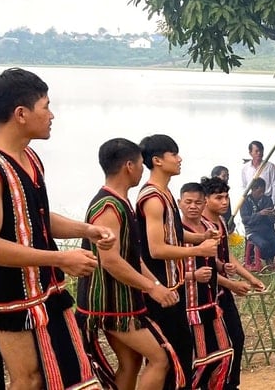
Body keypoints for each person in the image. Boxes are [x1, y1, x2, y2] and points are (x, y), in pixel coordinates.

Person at [0, 68, 112, 390]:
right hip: (6, 293)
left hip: (42, 287)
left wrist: (87, 230)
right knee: (27, 379)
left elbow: (33, 218)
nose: (51, 115)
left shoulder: (29, 157)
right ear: (21, 114)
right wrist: (61, 260)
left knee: (60, 375)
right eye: (45, 106)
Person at [78, 138, 180, 390]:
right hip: (111, 302)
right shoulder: (109, 206)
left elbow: (131, 257)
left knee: (131, 362)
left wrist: (155, 284)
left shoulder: (121, 202)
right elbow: (111, 260)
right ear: (128, 166)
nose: (142, 170)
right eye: (139, 164)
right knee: (159, 359)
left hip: (121, 300)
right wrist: (152, 287)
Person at [136, 134, 219, 390]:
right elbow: (157, 248)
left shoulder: (166, 194)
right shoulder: (152, 198)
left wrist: (199, 237)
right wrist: (198, 250)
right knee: (172, 352)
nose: (179, 159)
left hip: (174, 284)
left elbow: (172, 231)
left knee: (182, 350)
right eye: (174, 154)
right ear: (157, 160)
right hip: (159, 288)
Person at [200, 177, 265, 390]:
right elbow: (201, 267)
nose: (224, 201)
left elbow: (228, 258)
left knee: (236, 336)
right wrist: (231, 284)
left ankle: (230, 384)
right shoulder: (199, 227)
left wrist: (251, 278)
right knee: (212, 346)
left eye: (226, 197)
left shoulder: (220, 223)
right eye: (218, 197)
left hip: (221, 291)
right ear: (206, 199)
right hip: (203, 294)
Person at [178, 182, 233, 390]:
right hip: (188, 306)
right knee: (197, 360)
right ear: (179, 203)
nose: (193, 206)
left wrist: (222, 265)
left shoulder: (211, 228)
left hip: (211, 302)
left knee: (223, 353)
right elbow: (165, 270)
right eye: (188, 202)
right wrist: (193, 275)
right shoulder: (174, 232)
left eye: (197, 203)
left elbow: (213, 260)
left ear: (204, 205)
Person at [239, 177, 275, 271]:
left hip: (267, 230)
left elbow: (274, 221)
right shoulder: (245, 201)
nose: (262, 194)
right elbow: (246, 220)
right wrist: (260, 214)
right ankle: (268, 260)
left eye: (263, 191)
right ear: (253, 189)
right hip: (253, 231)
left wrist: (271, 215)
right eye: (260, 192)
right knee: (264, 244)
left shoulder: (267, 200)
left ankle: (267, 258)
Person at [240, 140, 275, 208]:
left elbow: (274, 185)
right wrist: (245, 201)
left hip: (266, 200)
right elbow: (244, 186)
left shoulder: (270, 166)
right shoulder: (245, 168)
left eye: (261, 151)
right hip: (251, 201)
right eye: (256, 151)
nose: (259, 153)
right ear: (250, 153)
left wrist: (273, 202)